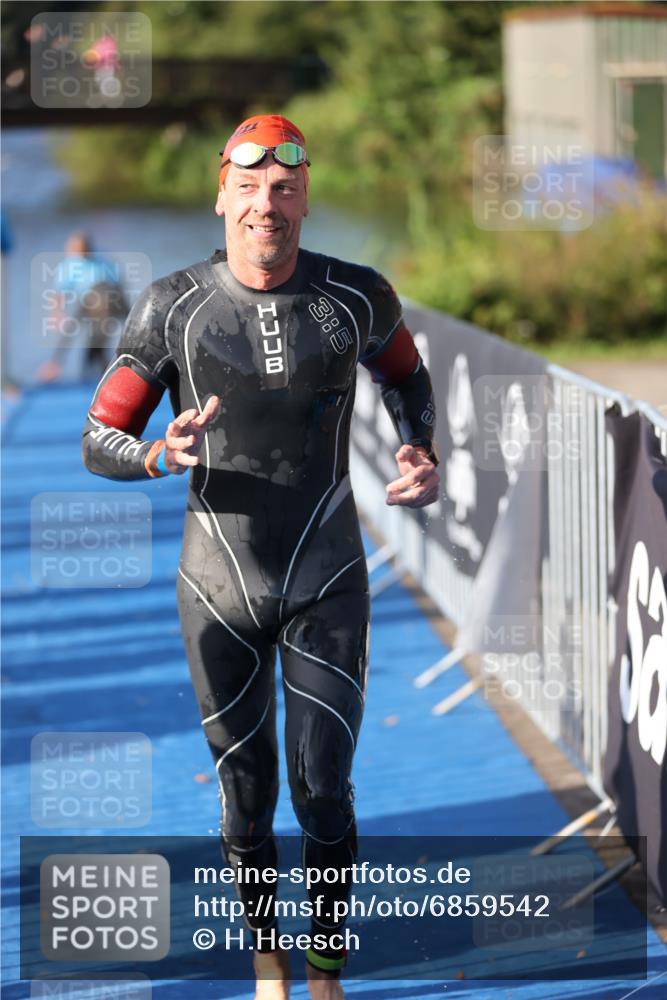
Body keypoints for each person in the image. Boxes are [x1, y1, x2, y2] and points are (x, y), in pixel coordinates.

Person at [81, 114, 440, 999]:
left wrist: (421, 450)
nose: (264, 206)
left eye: (282, 189)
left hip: (327, 574)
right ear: (221, 197)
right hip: (218, 582)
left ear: (305, 197)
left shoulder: (358, 296)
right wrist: (160, 454)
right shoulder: (173, 305)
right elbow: (97, 438)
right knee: (246, 796)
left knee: (323, 790)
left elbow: (407, 377)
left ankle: (324, 973)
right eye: (247, 189)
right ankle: (267, 956)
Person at [38, 232, 128, 383]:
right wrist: (57, 315)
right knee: (77, 332)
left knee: (97, 339)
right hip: (92, 298)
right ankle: (56, 365)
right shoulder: (71, 264)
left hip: (107, 297)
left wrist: (128, 316)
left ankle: (98, 372)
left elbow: (119, 285)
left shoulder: (102, 258)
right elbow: (58, 293)